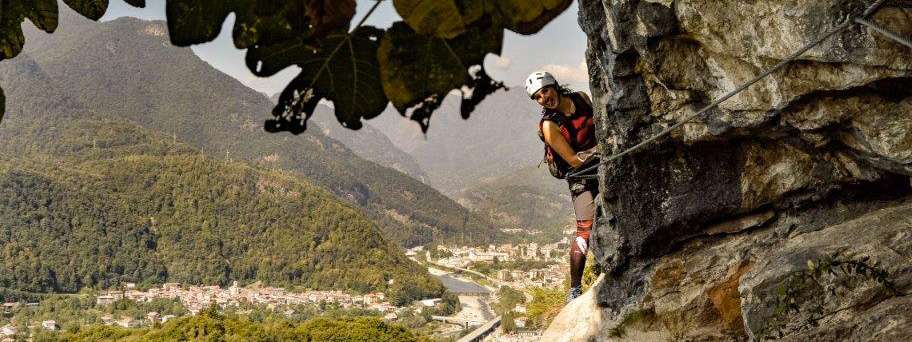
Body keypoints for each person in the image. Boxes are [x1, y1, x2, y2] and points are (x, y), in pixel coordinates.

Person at [526, 71, 599, 301]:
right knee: (584, 229)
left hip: (601, 159)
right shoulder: (549, 125)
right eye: (538, 97)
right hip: (580, 175)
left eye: (545, 91)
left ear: (554, 86)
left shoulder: (581, 98)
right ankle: (575, 289)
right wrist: (602, 150)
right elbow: (573, 160)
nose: (544, 98)